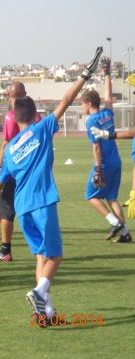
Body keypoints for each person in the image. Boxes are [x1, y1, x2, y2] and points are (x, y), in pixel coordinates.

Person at [0, 47, 103, 327]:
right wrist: (84, 76)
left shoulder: (10, 150)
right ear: (35, 115)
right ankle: (38, 291)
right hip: (43, 202)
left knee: (41, 257)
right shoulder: (42, 128)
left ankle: (44, 313)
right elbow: (67, 100)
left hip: (22, 208)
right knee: (56, 256)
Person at [0, 81, 42, 262]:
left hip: (13, 168)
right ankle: (42, 247)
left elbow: (6, 144)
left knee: (6, 210)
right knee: (34, 208)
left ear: (11, 96)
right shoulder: (38, 116)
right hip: (34, 169)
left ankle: (5, 250)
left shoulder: (11, 116)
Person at [82, 56, 131, 243]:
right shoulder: (107, 113)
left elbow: (96, 146)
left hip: (104, 164)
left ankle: (114, 222)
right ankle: (125, 233)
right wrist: (107, 73)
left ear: (88, 104)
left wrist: (98, 168)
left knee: (90, 196)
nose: (82, 108)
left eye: (83, 104)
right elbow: (108, 96)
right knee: (111, 197)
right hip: (116, 161)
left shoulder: (92, 121)